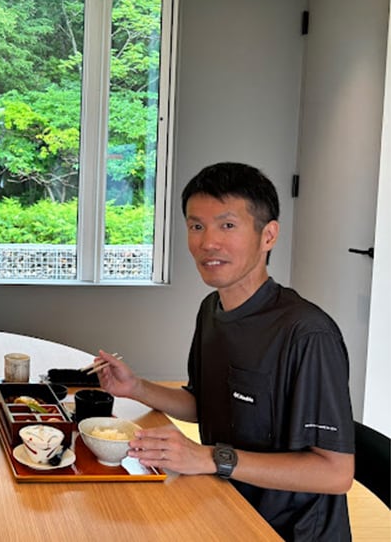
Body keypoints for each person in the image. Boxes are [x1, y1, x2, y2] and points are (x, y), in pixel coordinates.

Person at [96, 162, 355, 541]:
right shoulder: (212, 310)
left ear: (268, 236)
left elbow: (335, 473)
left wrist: (210, 457)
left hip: (285, 530)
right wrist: (136, 388)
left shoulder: (307, 334)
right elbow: (206, 404)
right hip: (223, 505)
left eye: (227, 225)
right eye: (196, 226)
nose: (207, 243)